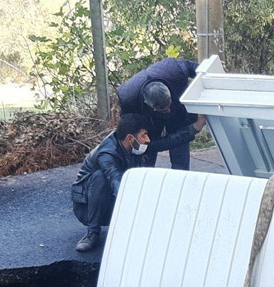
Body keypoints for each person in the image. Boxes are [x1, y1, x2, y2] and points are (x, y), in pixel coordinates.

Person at [71, 112, 207, 252]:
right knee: (100, 177)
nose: (147, 139)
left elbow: (167, 141)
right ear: (130, 138)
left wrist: (195, 127)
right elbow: (116, 180)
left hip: (110, 200)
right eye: (144, 135)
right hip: (86, 208)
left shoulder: (134, 145)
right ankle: (92, 232)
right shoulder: (107, 153)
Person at [117, 58, 200, 170]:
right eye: (164, 110)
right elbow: (139, 140)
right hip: (148, 120)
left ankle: (181, 179)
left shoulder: (175, 70)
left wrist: (212, 76)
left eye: (168, 106)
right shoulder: (128, 99)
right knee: (145, 156)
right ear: (150, 105)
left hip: (178, 111)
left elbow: (198, 69)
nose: (168, 110)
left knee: (180, 156)